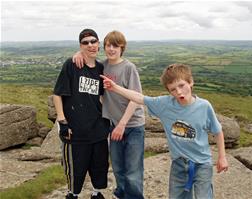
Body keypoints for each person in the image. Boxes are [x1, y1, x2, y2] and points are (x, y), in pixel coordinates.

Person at [101, 63, 229, 199]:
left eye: (181, 85)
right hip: (179, 164)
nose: (179, 92)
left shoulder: (204, 106)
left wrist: (222, 157)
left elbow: (217, 131)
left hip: (202, 163)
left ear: (191, 82)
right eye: (173, 89)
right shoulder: (165, 104)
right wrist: (115, 88)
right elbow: (139, 97)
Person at [73, 30, 145, 199]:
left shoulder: (129, 68)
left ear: (122, 48)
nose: (111, 49)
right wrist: (77, 53)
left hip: (133, 125)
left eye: (115, 45)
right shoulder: (102, 66)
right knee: (118, 168)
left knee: (133, 170)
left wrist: (122, 124)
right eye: (108, 45)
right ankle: (121, 194)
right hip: (113, 125)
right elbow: (87, 61)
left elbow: (136, 99)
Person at [53, 28, 110, 199]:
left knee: (99, 166)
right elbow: (58, 94)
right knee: (76, 169)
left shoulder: (101, 67)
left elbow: (101, 96)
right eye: (85, 43)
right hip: (75, 130)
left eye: (93, 41)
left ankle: (96, 194)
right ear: (80, 45)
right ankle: (73, 194)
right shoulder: (71, 65)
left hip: (97, 129)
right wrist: (62, 122)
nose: (90, 45)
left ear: (98, 44)